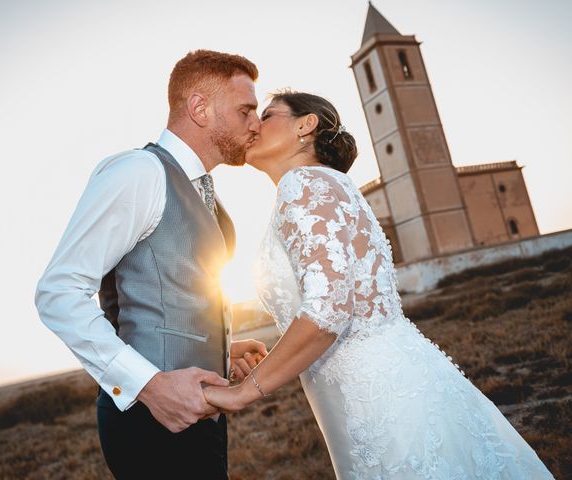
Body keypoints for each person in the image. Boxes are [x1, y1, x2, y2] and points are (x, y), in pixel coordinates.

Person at [203, 91, 554, 479]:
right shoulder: (331, 185)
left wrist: (245, 391)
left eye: (267, 115)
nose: (254, 124)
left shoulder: (302, 185)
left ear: (306, 125)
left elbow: (328, 311)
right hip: (392, 380)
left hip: (377, 400)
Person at [35, 50, 268, 480]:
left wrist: (220, 350)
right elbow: (59, 292)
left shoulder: (203, 187)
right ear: (200, 108)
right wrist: (149, 385)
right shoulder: (139, 173)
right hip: (150, 422)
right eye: (246, 110)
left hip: (201, 417)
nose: (257, 123)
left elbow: (171, 289)